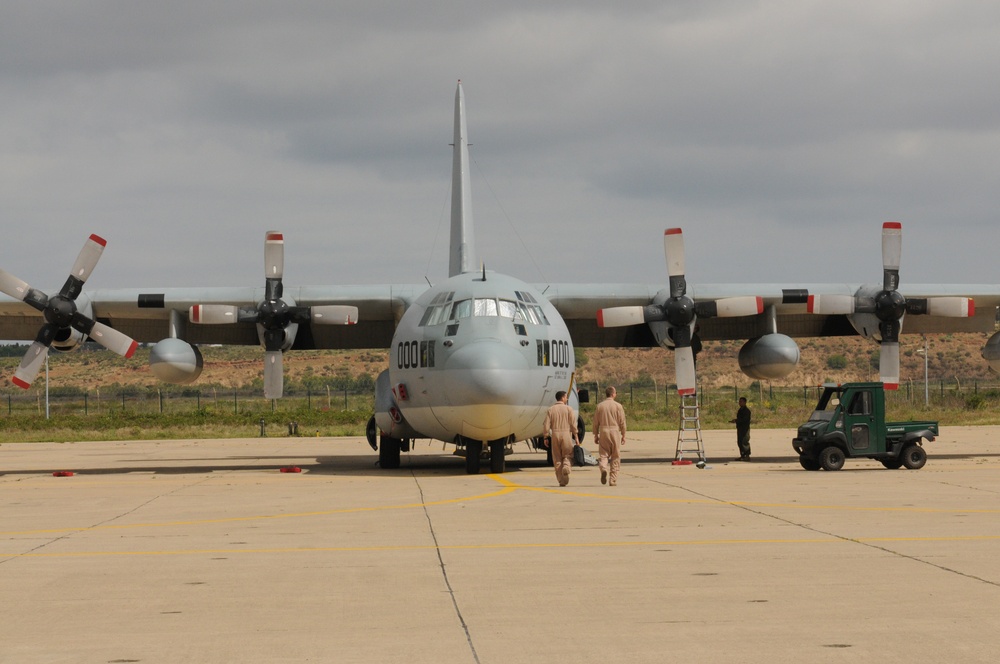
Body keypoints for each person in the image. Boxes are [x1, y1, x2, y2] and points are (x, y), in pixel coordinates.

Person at [542, 390, 579, 486]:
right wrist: (576, 436)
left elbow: (546, 424)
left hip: (555, 434)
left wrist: (546, 436)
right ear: (562, 398)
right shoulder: (569, 409)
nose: (567, 398)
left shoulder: (551, 409)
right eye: (566, 397)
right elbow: (573, 425)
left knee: (557, 458)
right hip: (566, 433)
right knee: (568, 454)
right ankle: (566, 466)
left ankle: (561, 480)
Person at [593, 386, 627, 486]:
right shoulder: (618, 406)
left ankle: (603, 467)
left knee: (603, 454)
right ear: (613, 394)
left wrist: (596, 434)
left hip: (603, 431)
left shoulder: (600, 406)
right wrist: (624, 434)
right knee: (615, 456)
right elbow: (622, 422)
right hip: (614, 431)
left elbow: (595, 422)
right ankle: (612, 480)